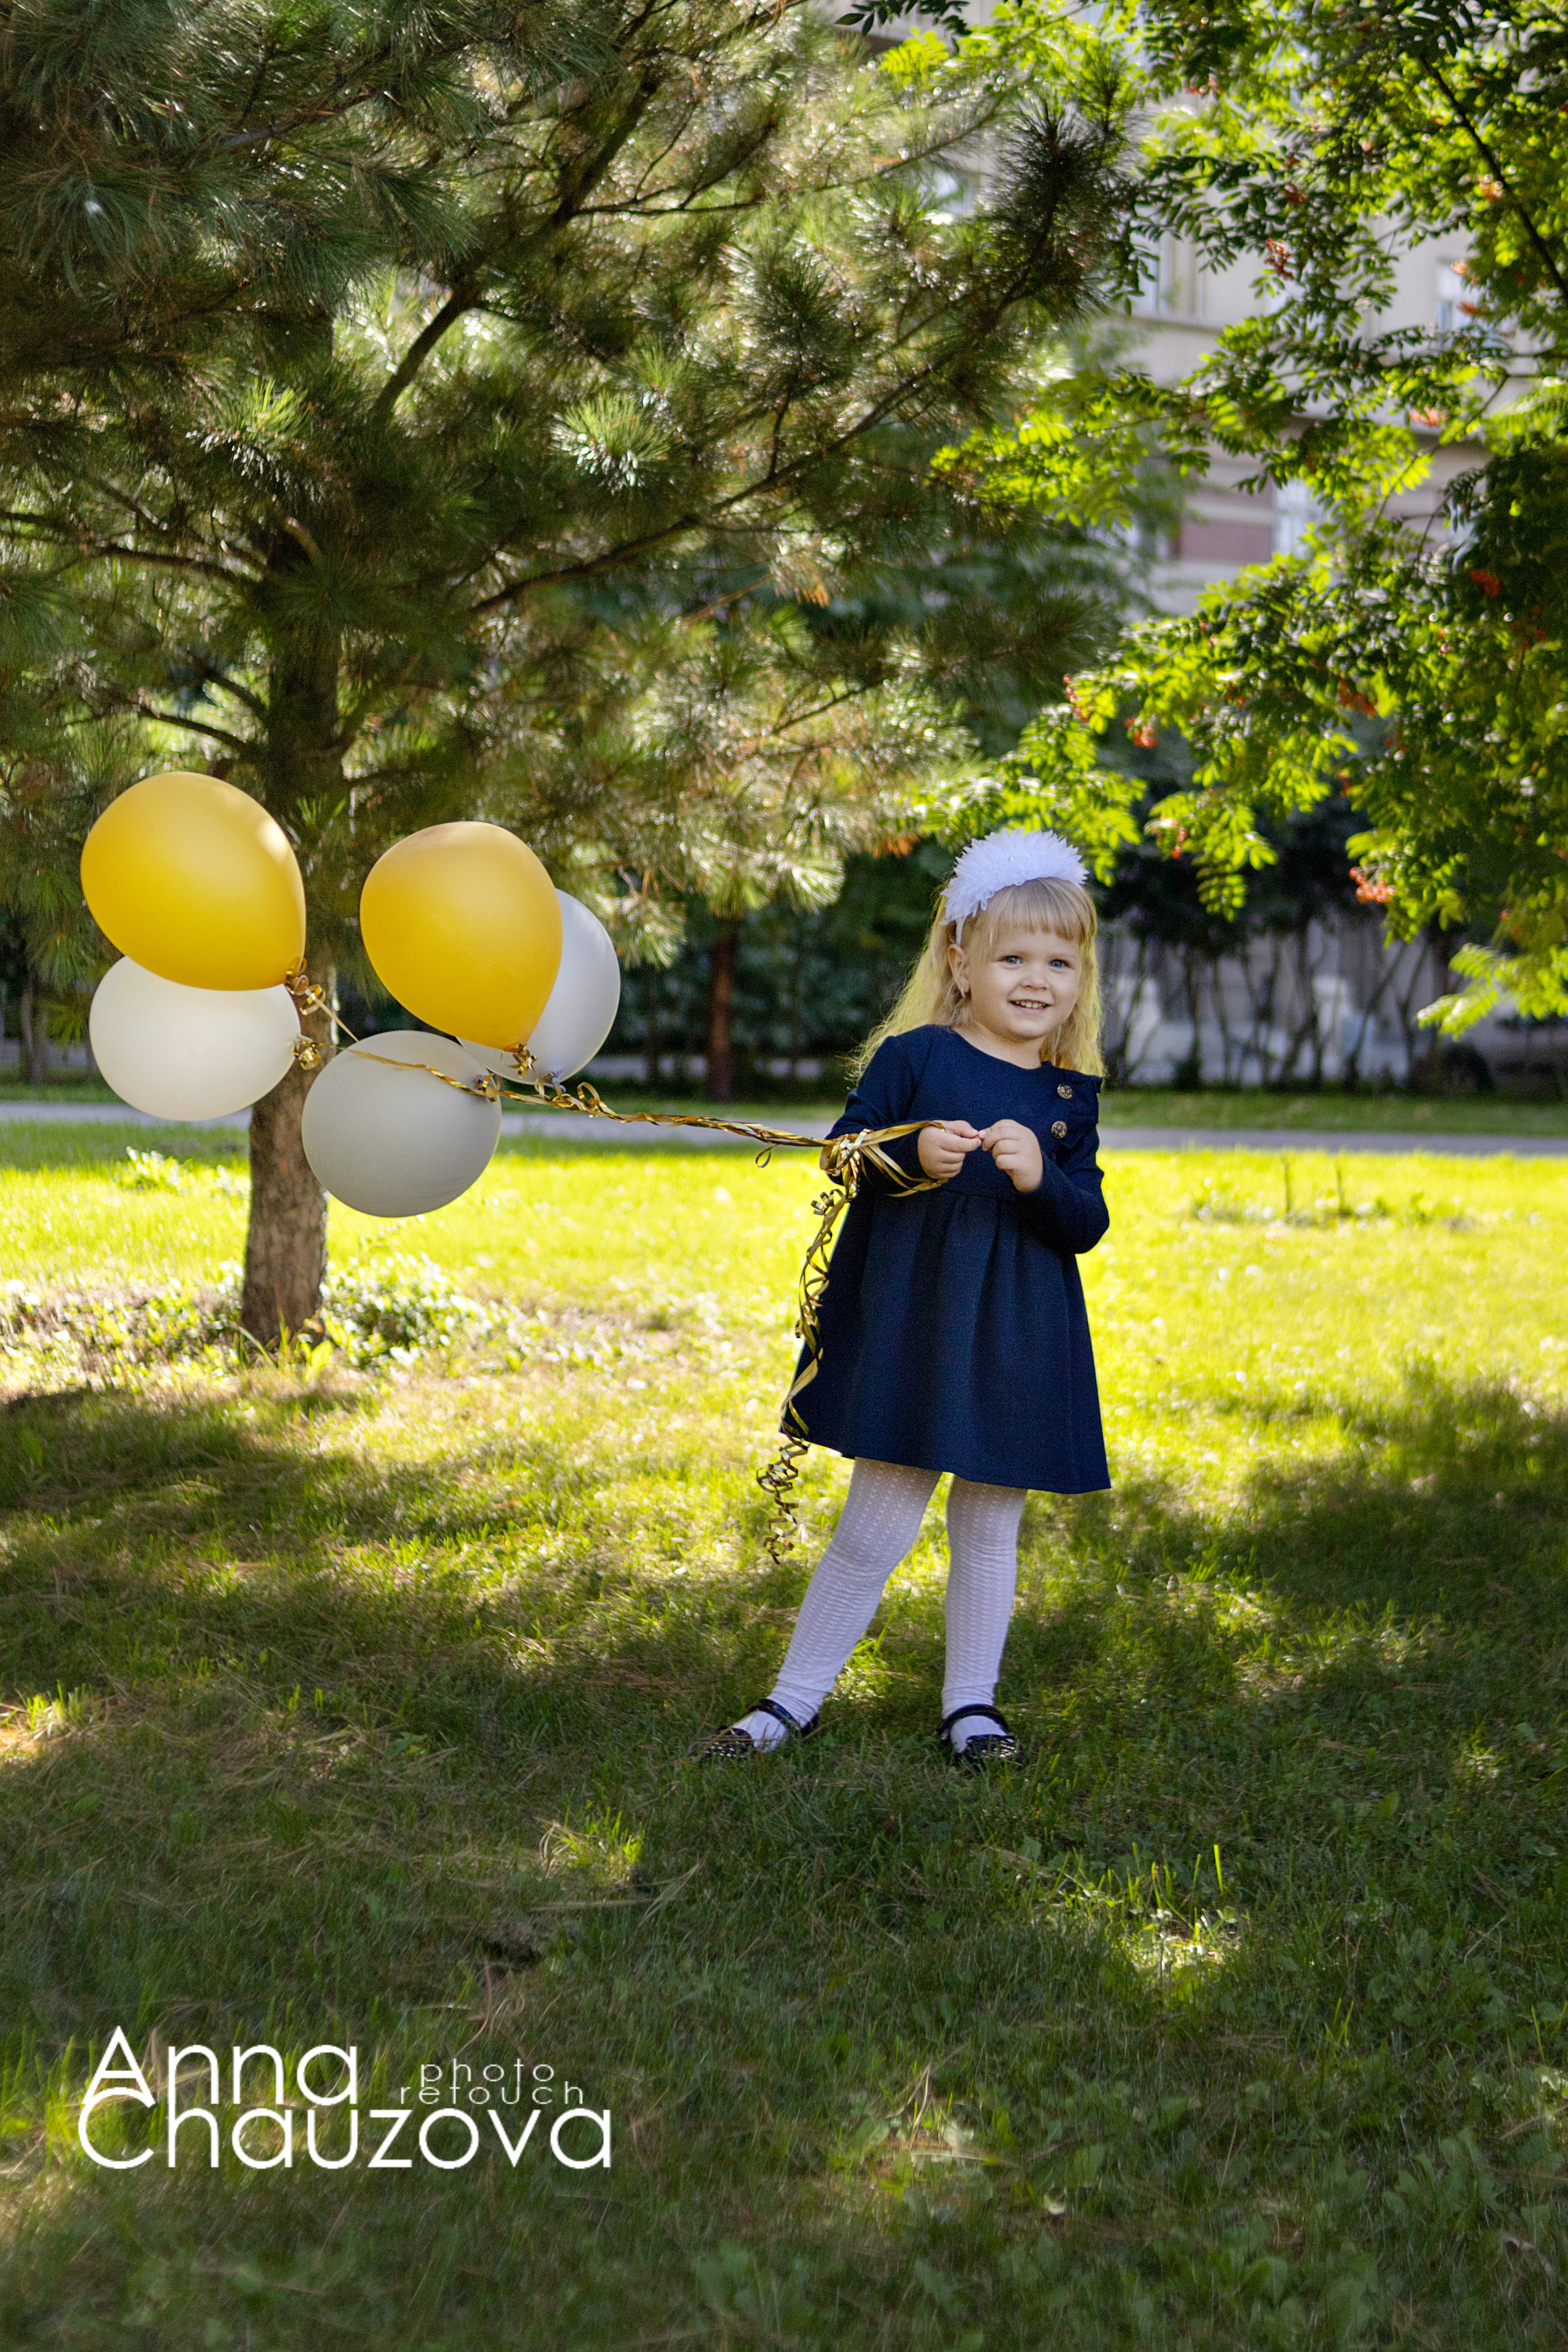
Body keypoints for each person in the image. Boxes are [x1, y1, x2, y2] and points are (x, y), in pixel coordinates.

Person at [701, 827, 1110, 1770]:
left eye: (1060, 961)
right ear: (961, 963)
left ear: (1081, 977)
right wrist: (911, 1152)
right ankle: (793, 1700)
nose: (1037, 979)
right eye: (1013, 958)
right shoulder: (916, 1057)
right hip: (917, 1323)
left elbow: (1084, 1223)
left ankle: (972, 1707)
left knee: (990, 1527)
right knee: (875, 1525)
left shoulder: (1066, 1100)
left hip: (1016, 1332)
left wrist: (1041, 1176)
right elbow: (844, 1154)